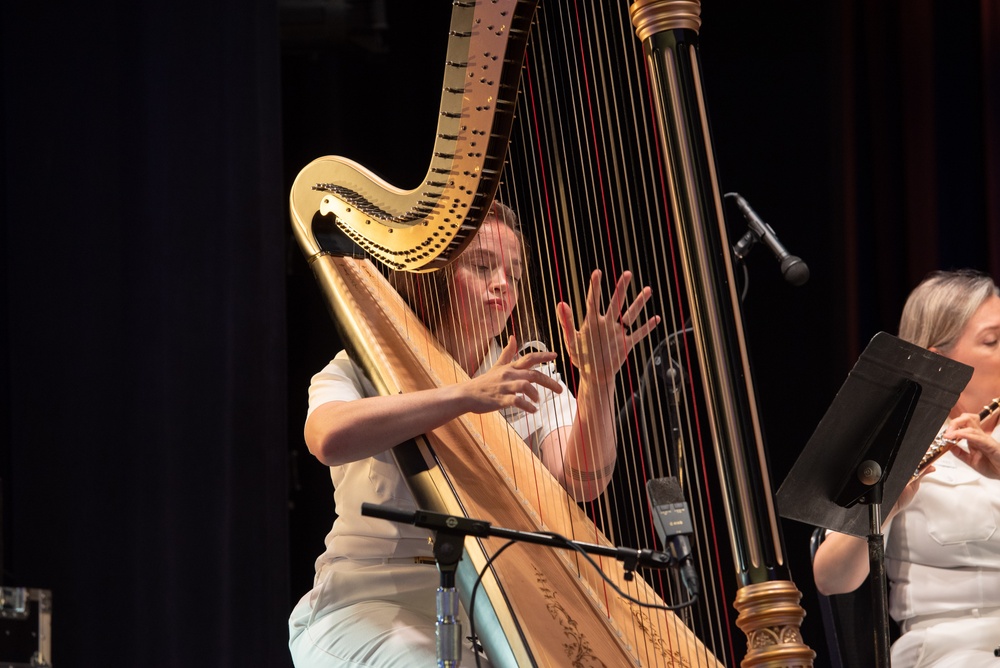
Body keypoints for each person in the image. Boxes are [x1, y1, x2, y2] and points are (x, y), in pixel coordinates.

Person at [288, 201, 661, 667]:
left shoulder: (526, 370)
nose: (503, 284)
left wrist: (598, 383)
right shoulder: (361, 367)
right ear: (436, 274)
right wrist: (465, 395)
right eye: (483, 266)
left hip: (488, 616)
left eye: (516, 274)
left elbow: (584, 480)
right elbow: (327, 439)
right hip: (364, 605)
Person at [812, 269, 1000, 668]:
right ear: (939, 359)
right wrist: (887, 503)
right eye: (993, 340)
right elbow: (831, 579)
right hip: (951, 654)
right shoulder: (892, 446)